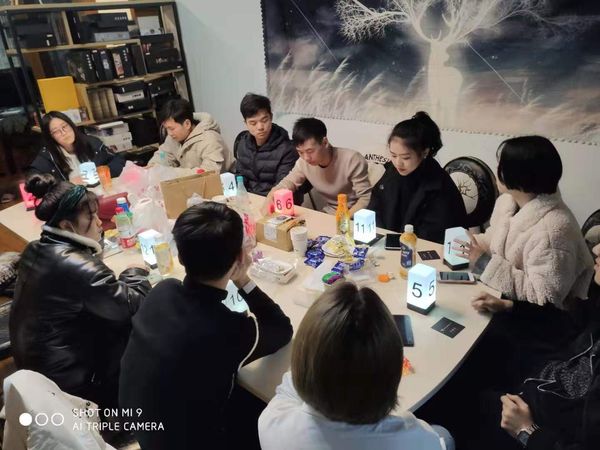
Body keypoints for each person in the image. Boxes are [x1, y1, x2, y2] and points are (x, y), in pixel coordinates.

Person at [119, 202, 293, 450]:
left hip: (143, 428)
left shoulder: (162, 291)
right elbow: (281, 329)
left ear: (180, 256)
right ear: (239, 258)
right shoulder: (227, 328)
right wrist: (243, 279)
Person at [10, 173, 150, 410]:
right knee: (143, 327)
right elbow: (132, 306)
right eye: (90, 216)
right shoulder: (75, 266)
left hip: (37, 370)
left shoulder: (37, 248)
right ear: (66, 225)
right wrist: (134, 272)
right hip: (71, 383)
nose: (99, 223)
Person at [258, 282, 453, 450]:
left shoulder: (272, 423)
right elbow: (433, 441)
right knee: (444, 435)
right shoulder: (413, 437)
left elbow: (290, 384)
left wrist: (315, 349)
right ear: (392, 373)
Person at [472, 243, 600, 450]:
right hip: (541, 374)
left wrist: (527, 432)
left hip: (537, 424)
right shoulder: (596, 297)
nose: (596, 249)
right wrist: (510, 307)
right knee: (482, 350)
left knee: (461, 401)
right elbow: (567, 325)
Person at [457, 136, 593, 308]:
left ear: (520, 176)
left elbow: (545, 298)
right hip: (499, 297)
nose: (496, 170)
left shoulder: (554, 231)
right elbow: (495, 240)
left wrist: (483, 262)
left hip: (533, 318)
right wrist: (472, 244)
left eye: (501, 165)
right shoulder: (508, 202)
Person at [367, 112, 466, 243]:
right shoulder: (392, 171)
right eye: (393, 155)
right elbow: (375, 207)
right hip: (390, 243)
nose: (398, 163)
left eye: (406, 157)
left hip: (423, 248)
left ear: (425, 152)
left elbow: (434, 235)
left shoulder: (438, 185)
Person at [262, 117, 371, 216]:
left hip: (356, 215)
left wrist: (343, 219)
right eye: (300, 152)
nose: (306, 157)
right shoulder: (303, 162)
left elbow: (365, 198)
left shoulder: (352, 159)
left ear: (325, 142)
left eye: (310, 151)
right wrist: (271, 195)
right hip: (330, 212)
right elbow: (289, 182)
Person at [234, 93, 305, 204]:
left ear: (271, 117)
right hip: (250, 201)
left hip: (276, 203)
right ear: (245, 123)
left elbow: (282, 188)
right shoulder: (243, 144)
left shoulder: (287, 148)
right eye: (253, 123)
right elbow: (240, 177)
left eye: (264, 120)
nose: (260, 127)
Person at [30, 111, 125, 182]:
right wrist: (69, 185)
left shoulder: (92, 143)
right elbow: (35, 184)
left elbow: (118, 159)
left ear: (71, 125)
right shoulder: (47, 157)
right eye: (56, 131)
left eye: (65, 126)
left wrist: (102, 173)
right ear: (50, 137)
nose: (63, 133)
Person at [147, 98, 233, 172]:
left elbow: (208, 174)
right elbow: (163, 155)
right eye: (166, 129)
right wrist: (154, 167)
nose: (169, 133)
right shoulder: (173, 138)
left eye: (172, 129)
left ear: (187, 124)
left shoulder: (210, 140)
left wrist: (173, 173)